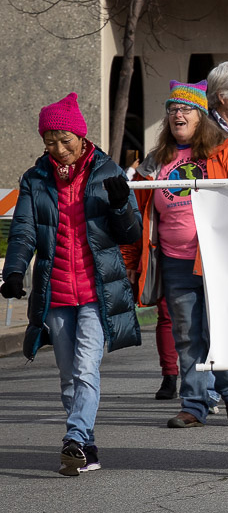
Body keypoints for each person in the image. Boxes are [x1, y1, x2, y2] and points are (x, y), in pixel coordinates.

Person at [0, 93, 142, 475]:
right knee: (67, 375)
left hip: (97, 292)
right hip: (57, 293)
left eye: (65, 140)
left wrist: (120, 205)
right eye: (50, 141)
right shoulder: (35, 179)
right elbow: (24, 230)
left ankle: (75, 437)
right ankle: (87, 446)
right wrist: (13, 271)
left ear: (81, 137)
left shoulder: (107, 171)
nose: (58, 149)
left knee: (84, 369)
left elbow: (131, 233)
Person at [123, 80, 228, 429]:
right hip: (173, 260)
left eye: (186, 109)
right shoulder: (155, 161)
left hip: (215, 257)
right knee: (188, 334)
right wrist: (133, 262)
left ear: (201, 116)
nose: (177, 114)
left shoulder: (223, 150)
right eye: (172, 109)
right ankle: (194, 405)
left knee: (217, 330)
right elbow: (139, 214)